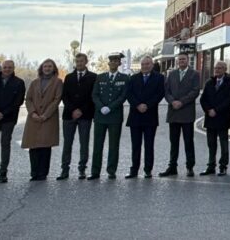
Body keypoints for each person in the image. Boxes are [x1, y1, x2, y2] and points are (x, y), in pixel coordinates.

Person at [89, 52, 129, 180]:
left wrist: (110, 107)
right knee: (97, 145)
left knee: (113, 145)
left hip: (115, 116)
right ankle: (95, 171)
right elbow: (94, 95)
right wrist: (101, 107)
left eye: (116, 61)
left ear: (119, 63)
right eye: (111, 61)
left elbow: (123, 96)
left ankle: (111, 170)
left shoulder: (124, 78)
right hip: (100, 116)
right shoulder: (100, 77)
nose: (113, 63)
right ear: (108, 63)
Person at [21, 58, 62, 181]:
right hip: (34, 118)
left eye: (50, 66)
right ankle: (34, 172)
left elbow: (57, 99)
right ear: (41, 68)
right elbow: (28, 99)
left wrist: (46, 114)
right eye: (45, 66)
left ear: (53, 68)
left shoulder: (58, 82)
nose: (47, 68)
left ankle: (43, 173)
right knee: (33, 146)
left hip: (48, 118)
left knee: (45, 146)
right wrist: (32, 112)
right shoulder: (34, 82)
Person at [58, 53, 97, 180]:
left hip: (85, 115)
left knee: (84, 143)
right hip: (69, 115)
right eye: (77, 61)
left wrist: (81, 110)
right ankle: (65, 170)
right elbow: (65, 96)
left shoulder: (93, 77)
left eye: (81, 61)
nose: (79, 63)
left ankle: (82, 169)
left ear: (86, 62)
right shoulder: (69, 77)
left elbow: (93, 97)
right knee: (67, 143)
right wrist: (73, 109)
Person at [161, 53, 200, 177]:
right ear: (177, 61)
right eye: (179, 59)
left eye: (183, 59)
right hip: (173, 112)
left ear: (187, 61)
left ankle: (190, 167)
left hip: (187, 112)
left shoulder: (194, 74)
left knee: (188, 141)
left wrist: (181, 102)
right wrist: (172, 101)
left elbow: (195, 91)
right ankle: (172, 167)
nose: (181, 61)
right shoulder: (171, 74)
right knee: (174, 142)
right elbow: (166, 91)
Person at [125, 55, 164, 178]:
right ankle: (134, 170)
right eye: (143, 64)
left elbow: (160, 94)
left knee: (149, 145)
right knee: (135, 145)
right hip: (135, 116)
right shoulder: (133, 78)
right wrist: (137, 105)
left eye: (147, 64)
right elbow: (128, 94)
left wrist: (147, 105)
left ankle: (148, 169)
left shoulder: (159, 78)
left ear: (152, 65)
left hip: (150, 115)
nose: (145, 66)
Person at [199, 61, 230, 176]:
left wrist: (217, 110)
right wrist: (208, 110)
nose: (217, 70)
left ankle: (223, 166)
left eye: (220, 68)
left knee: (224, 143)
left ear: (225, 69)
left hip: (222, 117)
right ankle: (211, 165)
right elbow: (203, 99)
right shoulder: (210, 82)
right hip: (210, 117)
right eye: (216, 68)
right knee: (211, 143)